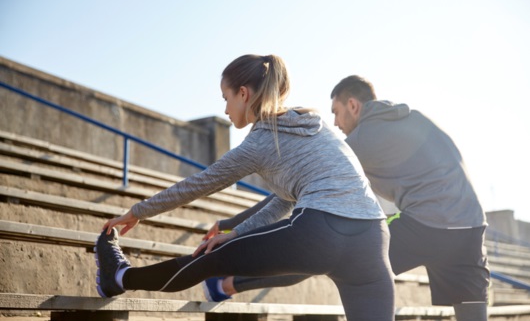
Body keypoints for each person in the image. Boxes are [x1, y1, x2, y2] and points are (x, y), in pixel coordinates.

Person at [95, 56, 395, 321]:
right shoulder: (315, 125)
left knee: (207, 259)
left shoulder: (261, 141)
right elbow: (284, 200)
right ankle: (120, 277)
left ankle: (118, 277)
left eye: (225, 97)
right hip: (373, 239)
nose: (225, 108)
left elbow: (199, 184)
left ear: (243, 93)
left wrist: (137, 212)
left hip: (322, 230)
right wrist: (237, 232)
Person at [202, 75, 490, 321]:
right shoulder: (411, 119)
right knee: (472, 311)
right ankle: (229, 284)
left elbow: (290, 194)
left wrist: (234, 223)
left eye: (337, 112)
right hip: (471, 229)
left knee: (323, 253)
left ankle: (226, 285)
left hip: (425, 226)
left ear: (353, 105)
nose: (336, 123)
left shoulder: (365, 138)